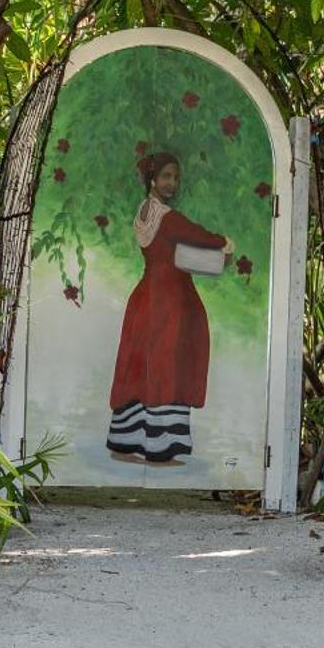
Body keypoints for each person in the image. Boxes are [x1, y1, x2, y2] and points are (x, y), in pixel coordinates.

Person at [107, 151, 232, 465]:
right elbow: (203, 238)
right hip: (172, 300)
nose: (172, 182)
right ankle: (162, 448)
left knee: (140, 366)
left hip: (146, 297)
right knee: (169, 365)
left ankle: (126, 441)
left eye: (175, 177)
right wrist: (225, 242)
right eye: (166, 176)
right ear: (152, 179)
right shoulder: (169, 217)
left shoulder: (144, 212)